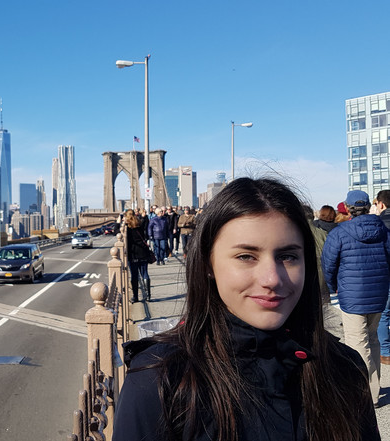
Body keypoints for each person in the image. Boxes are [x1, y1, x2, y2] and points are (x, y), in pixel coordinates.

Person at [114, 178, 379, 441]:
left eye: (288, 256)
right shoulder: (161, 381)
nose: (272, 279)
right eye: (246, 257)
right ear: (208, 264)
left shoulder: (344, 368)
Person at [322, 189, 390, 407]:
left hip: (351, 295)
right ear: (369, 205)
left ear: (349, 208)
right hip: (378, 293)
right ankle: (374, 389)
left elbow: (329, 264)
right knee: (372, 339)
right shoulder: (383, 230)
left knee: (357, 342)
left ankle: (365, 394)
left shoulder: (340, 233)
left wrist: (334, 287)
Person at [374, 189, 390, 365]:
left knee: (384, 314)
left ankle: (386, 352)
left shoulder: (378, 224)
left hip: (384, 275)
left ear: (381, 204)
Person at [124, 209, 152, 302]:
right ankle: (148, 295)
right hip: (143, 252)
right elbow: (146, 224)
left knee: (134, 276)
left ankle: (135, 296)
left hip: (133, 254)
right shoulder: (139, 223)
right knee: (145, 273)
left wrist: (119, 222)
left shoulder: (126, 228)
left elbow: (116, 230)